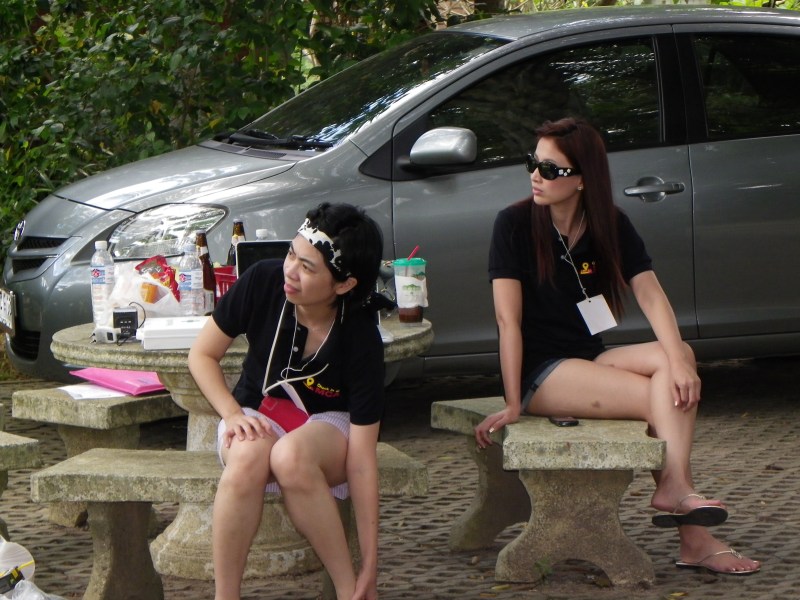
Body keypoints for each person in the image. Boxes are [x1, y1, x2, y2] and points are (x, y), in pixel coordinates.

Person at [474, 117, 760, 576]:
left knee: (679, 359)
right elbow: (507, 321)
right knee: (660, 396)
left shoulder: (608, 223)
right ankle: (689, 520)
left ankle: (678, 495)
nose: (535, 176)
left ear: (582, 179)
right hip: (541, 371)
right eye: (533, 163)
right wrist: (511, 402)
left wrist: (680, 361)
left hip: (590, 357)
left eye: (550, 169)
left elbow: (650, 293)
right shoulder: (512, 224)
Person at [188, 202, 385, 600]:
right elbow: (201, 355)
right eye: (292, 254)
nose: (290, 271)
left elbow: (363, 461)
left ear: (343, 284)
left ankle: (351, 591)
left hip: (328, 424)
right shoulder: (263, 280)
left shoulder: (361, 335)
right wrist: (231, 413)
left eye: (308, 267)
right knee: (247, 454)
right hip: (255, 410)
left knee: (290, 456)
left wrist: (371, 563)